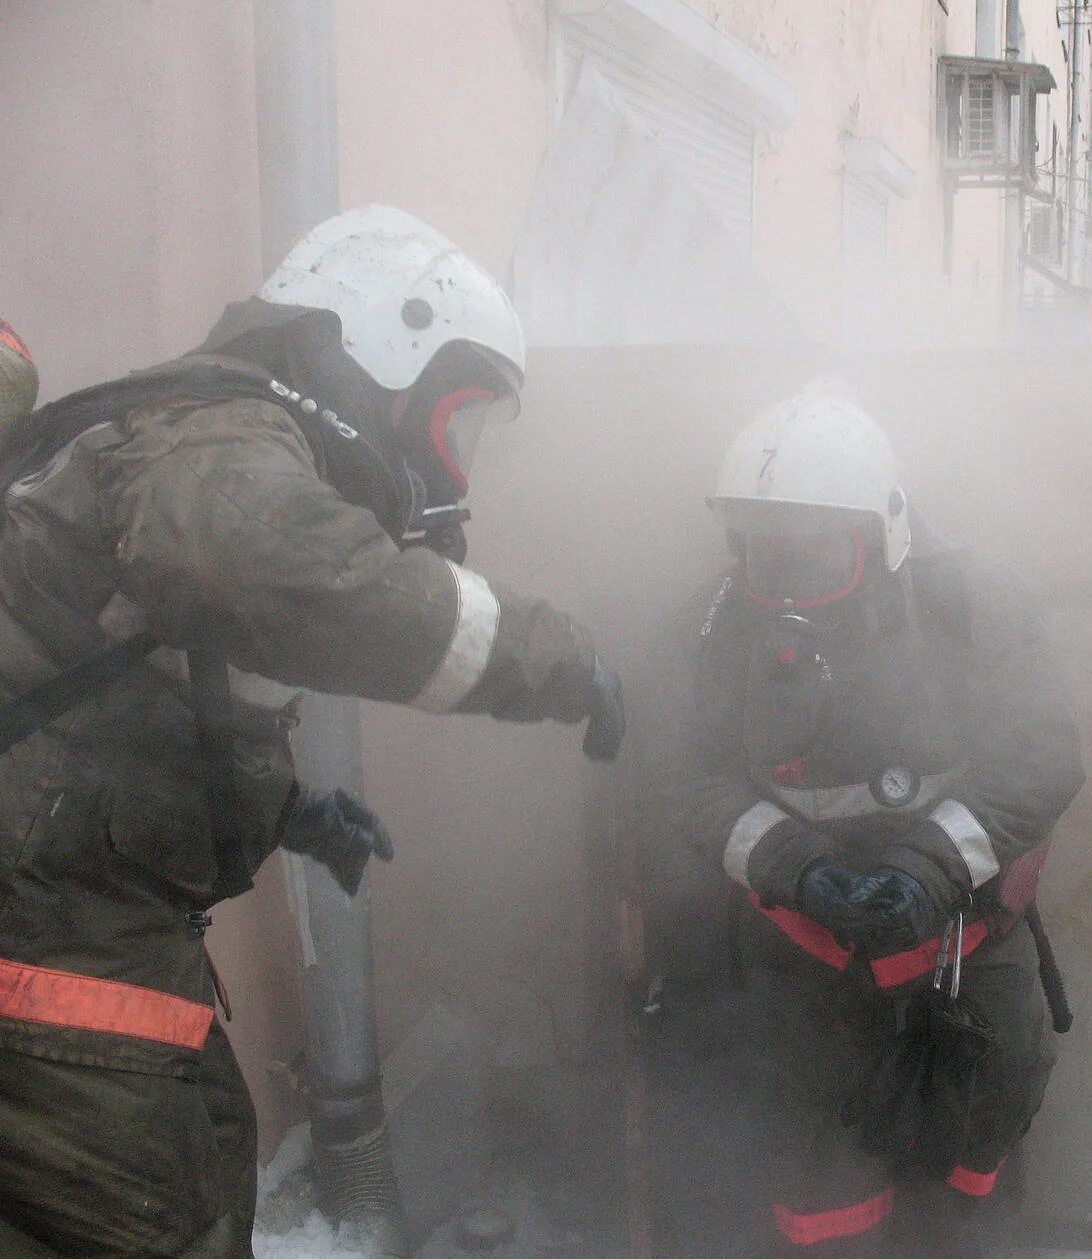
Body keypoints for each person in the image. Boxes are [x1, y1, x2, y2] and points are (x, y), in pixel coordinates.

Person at [0, 206, 625, 1258]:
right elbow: (259, 566)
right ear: (384, 349)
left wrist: (279, 806)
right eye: (455, 421)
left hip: (76, 924)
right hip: (45, 946)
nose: (455, 469)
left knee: (194, 1178)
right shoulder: (214, 434)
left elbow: (110, 690)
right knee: (163, 1216)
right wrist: (553, 656)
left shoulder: (207, 436)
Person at [643, 385, 1084, 1257]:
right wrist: (799, 867)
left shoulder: (971, 606)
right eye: (761, 558)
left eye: (813, 560)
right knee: (821, 1202)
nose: (783, 585)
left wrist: (930, 865)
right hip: (801, 971)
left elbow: (1041, 759)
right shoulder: (713, 627)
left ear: (883, 538)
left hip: (966, 955)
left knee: (971, 1172)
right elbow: (681, 777)